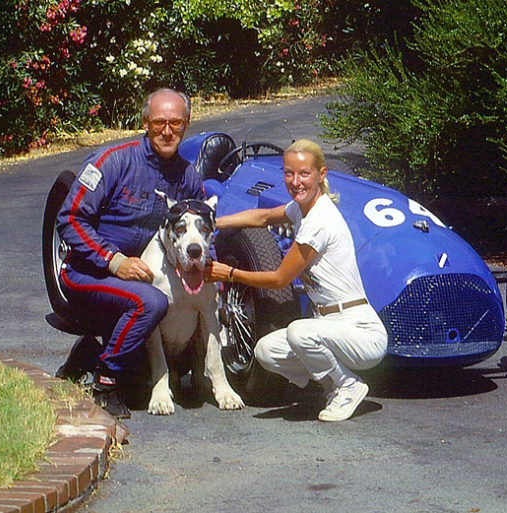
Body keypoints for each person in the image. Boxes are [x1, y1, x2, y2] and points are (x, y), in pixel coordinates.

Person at [206, 139, 387, 422]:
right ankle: (331, 387)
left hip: (360, 331)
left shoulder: (319, 221)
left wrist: (229, 273)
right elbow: (263, 216)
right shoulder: (302, 209)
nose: (295, 181)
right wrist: (214, 222)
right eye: (289, 173)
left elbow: (279, 280)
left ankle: (348, 386)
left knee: (299, 332)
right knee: (266, 351)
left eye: (304, 174)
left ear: (321, 175)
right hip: (328, 326)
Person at [54, 88, 205, 419]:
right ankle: (105, 386)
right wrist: (114, 260)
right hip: (87, 272)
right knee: (151, 302)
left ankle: (89, 354)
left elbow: (200, 227)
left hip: (139, 278)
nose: (167, 131)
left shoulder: (188, 176)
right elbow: (69, 219)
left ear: (187, 124)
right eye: (159, 123)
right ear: (145, 123)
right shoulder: (113, 160)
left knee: (147, 375)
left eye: (176, 123)